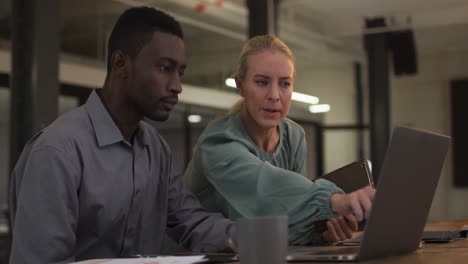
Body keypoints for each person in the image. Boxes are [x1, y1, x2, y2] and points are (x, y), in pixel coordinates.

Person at [9, 7, 233, 263]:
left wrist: (241, 234)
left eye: (179, 72)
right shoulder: (57, 151)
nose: (176, 86)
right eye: (164, 68)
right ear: (120, 64)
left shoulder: (156, 149)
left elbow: (189, 220)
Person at [184, 35, 376, 245]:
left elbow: (289, 220)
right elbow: (263, 187)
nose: (274, 95)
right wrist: (334, 200)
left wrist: (320, 235)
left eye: (285, 84)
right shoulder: (217, 141)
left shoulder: (294, 136)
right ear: (240, 85)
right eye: (262, 82)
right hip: (190, 256)